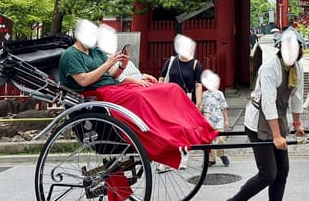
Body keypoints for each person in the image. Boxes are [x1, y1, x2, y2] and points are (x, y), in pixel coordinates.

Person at [58, 19, 217, 169]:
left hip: (114, 86)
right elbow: (84, 81)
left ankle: (191, 127)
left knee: (171, 88)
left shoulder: (96, 52)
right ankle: (164, 136)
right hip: (98, 94)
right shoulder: (70, 55)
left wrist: (122, 65)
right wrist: (108, 63)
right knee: (140, 97)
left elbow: (111, 74)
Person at [225, 32, 305, 201]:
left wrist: (296, 123)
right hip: (259, 122)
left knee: (282, 171)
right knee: (268, 173)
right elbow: (268, 103)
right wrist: (277, 136)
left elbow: (296, 97)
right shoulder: (269, 69)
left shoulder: (297, 67)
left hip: (278, 118)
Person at [159, 34, 204, 108]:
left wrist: (198, 104)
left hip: (188, 100)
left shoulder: (196, 64)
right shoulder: (171, 61)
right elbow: (161, 78)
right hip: (170, 99)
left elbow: (198, 85)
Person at [201, 69, 231, 167]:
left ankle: (222, 154)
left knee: (220, 139)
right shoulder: (204, 95)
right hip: (207, 120)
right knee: (210, 140)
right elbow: (201, 108)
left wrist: (226, 120)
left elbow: (223, 107)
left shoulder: (219, 94)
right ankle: (211, 159)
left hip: (218, 119)